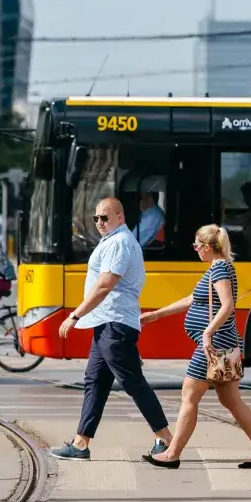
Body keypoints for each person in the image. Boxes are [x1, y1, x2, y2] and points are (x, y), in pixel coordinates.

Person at [140, 224, 251, 469]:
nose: (195, 250)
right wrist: (157, 314)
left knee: (190, 394)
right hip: (224, 342)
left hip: (216, 344)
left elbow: (227, 306)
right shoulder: (216, 268)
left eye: (196, 246)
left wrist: (208, 333)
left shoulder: (220, 268)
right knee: (232, 400)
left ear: (208, 247)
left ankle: (172, 454)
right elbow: (192, 299)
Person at [50, 198, 173, 461]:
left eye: (105, 218)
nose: (100, 223)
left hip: (115, 324)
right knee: (95, 382)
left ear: (121, 216)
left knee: (132, 382)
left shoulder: (119, 243)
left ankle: (166, 439)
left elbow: (105, 285)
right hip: (105, 323)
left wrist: (74, 315)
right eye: (96, 218)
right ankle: (80, 443)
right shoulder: (113, 240)